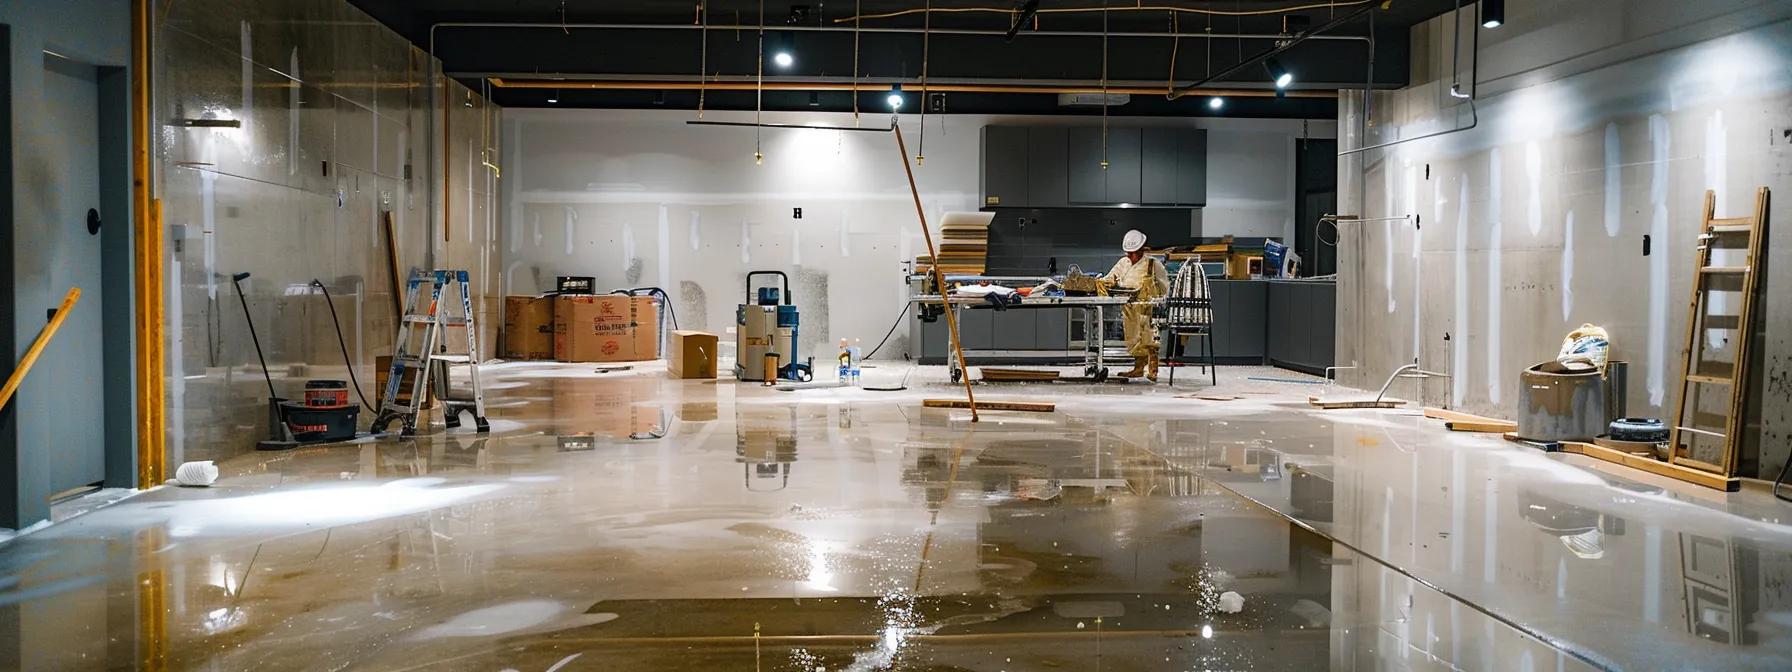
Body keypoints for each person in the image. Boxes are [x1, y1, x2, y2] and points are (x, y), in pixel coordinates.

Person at [1103, 229, 1169, 381]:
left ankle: (1153, 369)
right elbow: (1110, 278)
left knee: (1150, 338)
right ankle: (1138, 368)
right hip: (1129, 307)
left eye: (1134, 253)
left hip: (1147, 308)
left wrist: (1161, 302)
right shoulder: (1123, 263)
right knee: (1133, 338)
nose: (1131, 256)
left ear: (1141, 250)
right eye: (1129, 253)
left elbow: (1164, 286)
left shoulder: (1153, 264)